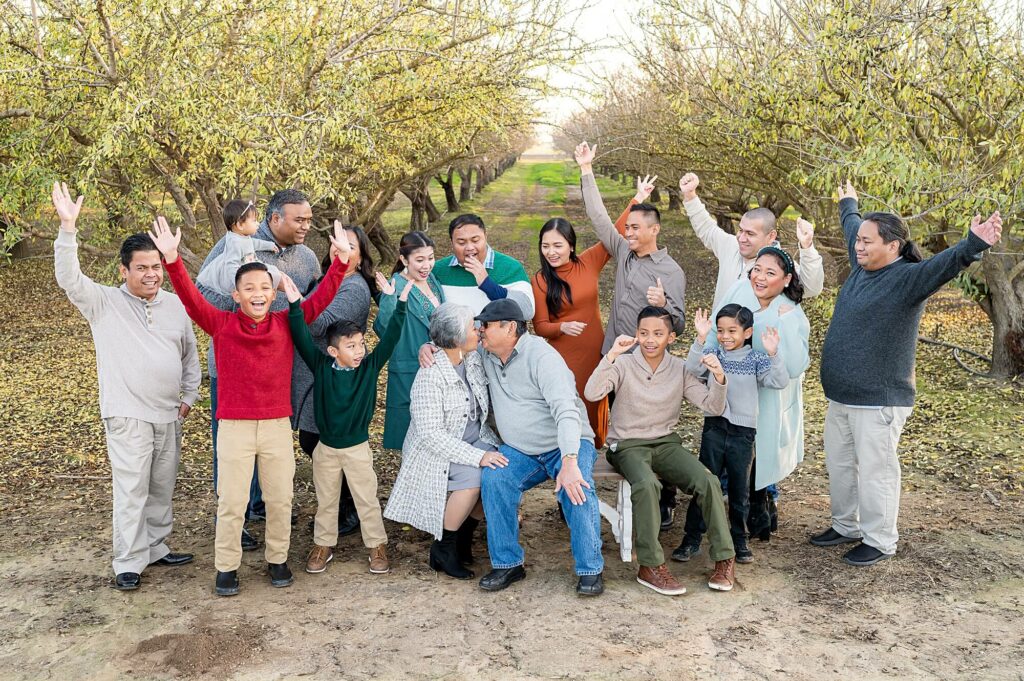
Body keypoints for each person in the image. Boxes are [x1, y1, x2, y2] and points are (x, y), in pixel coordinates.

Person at [151, 216, 350, 596]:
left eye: (265, 287)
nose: (258, 293)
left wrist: (339, 262)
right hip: (235, 427)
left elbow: (321, 298)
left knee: (280, 497)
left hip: (276, 424)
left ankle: (277, 559)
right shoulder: (222, 324)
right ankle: (226, 567)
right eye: (249, 288)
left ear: (273, 293)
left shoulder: (285, 322)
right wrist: (172, 260)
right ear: (237, 294)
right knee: (233, 500)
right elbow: (192, 300)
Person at [810, 182, 1002, 566]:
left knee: (876, 472)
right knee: (841, 465)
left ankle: (879, 540)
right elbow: (852, 227)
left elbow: (943, 266)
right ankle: (846, 525)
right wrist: (848, 202)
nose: (858, 246)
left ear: (893, 246)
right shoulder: (862, 262)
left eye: (867, 242)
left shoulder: (908, 278)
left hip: (878, 399)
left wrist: (972, 245)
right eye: (859, 241)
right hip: (841, 396)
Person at [51, 182, 201, 591]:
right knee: (132, 488)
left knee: (161, 485)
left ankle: (155, 546)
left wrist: (189, 396)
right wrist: (68, 229)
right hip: (127, 415)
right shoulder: (103, 303)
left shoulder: (173, 305)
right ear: (124, 270)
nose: (151, 274)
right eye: (142, 268)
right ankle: (128, 561)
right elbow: (68, 278)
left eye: (156, 267)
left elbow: (189, 355)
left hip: (169, 414)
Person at [197, 189, 321, 551]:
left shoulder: (308, 257)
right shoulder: (236, 244)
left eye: (309, 220)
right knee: (233, 449)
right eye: (299, 220)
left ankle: (262, 507)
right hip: (233, 367)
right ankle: (235, 522)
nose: (305, 226)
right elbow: (205, 290)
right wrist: (243, 317)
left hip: (276, 369)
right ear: (274, 218)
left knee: (269, 443)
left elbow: (308, 303)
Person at [584, 307, 736, 595]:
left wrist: (718, 378)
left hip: (666, 442)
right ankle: (650, 565)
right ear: (637, 335)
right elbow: (592, 393)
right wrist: (612, 355)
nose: (650, 339)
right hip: (627, 445)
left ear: (671, 337)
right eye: (644, 333)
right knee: (647, 484)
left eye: (658, 334)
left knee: (708, 481)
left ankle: (725, 558)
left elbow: (713, 406)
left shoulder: (679, 368)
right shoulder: (624, 365)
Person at [464, 298, 605, 595]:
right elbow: (452, 348)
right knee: (496, 476)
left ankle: (590, 568)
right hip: (520, 450)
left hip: (565, 443)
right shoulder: (487, 353)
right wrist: (429, 349)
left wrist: (569, 462)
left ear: (510, 328)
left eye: (486, 325)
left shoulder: (543, 357)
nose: (480, 331)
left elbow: (566, 411)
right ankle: (508, 565)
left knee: (576, 485)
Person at [674, 246, 810, 555]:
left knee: (749, 471)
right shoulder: (738, 290)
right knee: (709, 477)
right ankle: (695, 535)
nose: (760, 277)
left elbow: (791, 368)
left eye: (770, 273)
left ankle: (749, 525)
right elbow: (712, 339)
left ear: (786, 279)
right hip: (721, 409)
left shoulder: (790, 312)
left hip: (761, 403)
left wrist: (779, 340)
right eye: (757, 270)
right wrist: (703, 345)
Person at [291, 276, 413, 576]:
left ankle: (376, 546)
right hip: (326, 449)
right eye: (351, 346)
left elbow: (391, 338)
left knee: (366, 499)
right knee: (327, 500)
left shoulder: (369, 368)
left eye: (361, 344)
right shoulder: (321, 367)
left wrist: (397, 303)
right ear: (334, 352)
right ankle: (323, 544)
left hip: (357, 449)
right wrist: (295, 305)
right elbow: (301, 338)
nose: (359, 350)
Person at [531, 176, 656, 449]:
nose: (551, 252)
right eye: (545, 246)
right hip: (562, 358)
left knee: (594, 401)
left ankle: (595, 454)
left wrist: (638, 199)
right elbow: (539, 326)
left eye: (557, 245)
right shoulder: (540, 280)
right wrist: (561, 327)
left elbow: (615, 231)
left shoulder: (588, 262)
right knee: (568, 409)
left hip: (595, 353)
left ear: (571, 246)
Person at [384, 303, 507, 579]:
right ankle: (443, 548)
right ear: (455, 339)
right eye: (471, 328)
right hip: (441, 451)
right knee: (475, 478)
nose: (478, 330)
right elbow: (431, 436)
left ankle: (464, 539)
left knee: (498, 473)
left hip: (478, 439)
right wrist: (478, 457)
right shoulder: (430, 376)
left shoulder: (472, 359)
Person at [678, 306, 788, 564]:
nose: (725, 336)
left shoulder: (756, 359)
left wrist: (774, 353)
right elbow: (692, 369)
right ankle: (692, 538)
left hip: (743, 433)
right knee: (706, 485)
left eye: (732, 331)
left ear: (747, 332)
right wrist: (701, 339)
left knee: (740, 491)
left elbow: (779, 381)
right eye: (721, 331)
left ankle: (739, 540)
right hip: (715, 428)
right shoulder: (714, 353)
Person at [294, 225, 379, 538]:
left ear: (360, 255)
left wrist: (291, 303)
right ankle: (336, 505)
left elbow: (318, 323)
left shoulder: (354, 287)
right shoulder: (324, 281)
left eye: (350, 244)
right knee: (313, 441)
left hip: (334, 380)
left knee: (322, 442)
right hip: (312, 373)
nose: (339, 247)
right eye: (336, 241)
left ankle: (350, 507)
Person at [575, 142, 687, 352]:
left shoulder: (671, 272)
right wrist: (586, 168)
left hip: (643, 364)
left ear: (654, 230)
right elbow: (598, 217)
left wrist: (664, 304)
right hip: (611, 354)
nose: (628, 233)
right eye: (627, 227)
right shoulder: (624, 250)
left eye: (635, 228)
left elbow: (679, 326)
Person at [678, 172, 825, 309]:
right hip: (719, 335)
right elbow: (708, 229)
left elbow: (811, 288)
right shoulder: (730, 246)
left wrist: (807, 247)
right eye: (740, 230)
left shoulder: (781, 265)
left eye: (750, 233)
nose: (741, 238)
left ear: (771, 236)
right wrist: (690, 196)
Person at [375, 231, 446, 449]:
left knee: (436, 430)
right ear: (404, 260)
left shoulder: (431, 280)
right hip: (411, 365)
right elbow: (383, 328)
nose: (427, 265)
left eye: (431, 258)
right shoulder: (395, 285)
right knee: (413, 436)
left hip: (438, 364)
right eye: (420, 260)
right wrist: (388, 298)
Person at [432, 213, 535, 317]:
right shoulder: (437, 270)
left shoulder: (511, 268)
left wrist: (487, 284)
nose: (469, 247)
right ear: (452, 243)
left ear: (485, 237)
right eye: (461, 242)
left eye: (475, 240)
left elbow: (527, 311)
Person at [195, 199, 281, 293]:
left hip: (248, 264)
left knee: (273, 272)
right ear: (240, 225)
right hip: (237, 274)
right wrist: (239, 284)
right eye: (254, 221)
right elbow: (231, 265)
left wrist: (269, 245)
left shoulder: (242, 236)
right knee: (266, 276)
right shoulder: (234, 243)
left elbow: (253, 243)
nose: (258, 224)